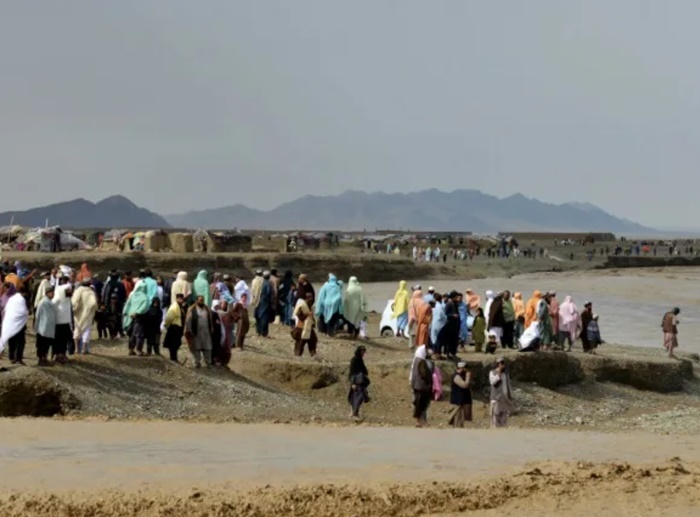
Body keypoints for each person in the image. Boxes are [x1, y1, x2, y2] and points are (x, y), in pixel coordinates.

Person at [0, 287, 29, 364]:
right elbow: (22, 312)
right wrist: (27, 313)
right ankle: (18, 358)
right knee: (20, 342)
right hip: (19, 324)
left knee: (12, 340)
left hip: (10, 322)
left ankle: (11, 356)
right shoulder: (21, 299)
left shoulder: (11, 298)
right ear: (24, 293)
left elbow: (6, 309)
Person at [185, 295, 214, 368]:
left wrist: (211, 328)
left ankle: (208, 363)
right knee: (196, 348)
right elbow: (188, 321)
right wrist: (189, 330)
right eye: (200, 300)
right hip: (196, 332)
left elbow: (210, 320)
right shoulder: (192, 309)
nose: (201, 302)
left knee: (207, 348)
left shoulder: (207, 309)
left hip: (206, 332)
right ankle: (197, 363)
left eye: (202, 300)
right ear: (197, 301)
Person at [123, 281, 150, 356]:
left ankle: (131, 349)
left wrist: (127, 313)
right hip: (140, 318)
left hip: (130, 317)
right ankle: (139, 350)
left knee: (131, 334)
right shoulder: (145, 297)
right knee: (139, 334)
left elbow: (127, 305)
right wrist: (137, 312)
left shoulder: (133, 295)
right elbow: (144, 307)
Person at [72, 278, 98, 355]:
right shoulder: (91, 292)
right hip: (87, 314)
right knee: (86, 330)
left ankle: (76, 349)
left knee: (77, 329)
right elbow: (93, 303)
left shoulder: (77, 291)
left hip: (78, 314)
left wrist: (76, 309)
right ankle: (84, 349)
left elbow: (74, 302)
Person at [410, 344, 432, 427]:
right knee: (421, 405)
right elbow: (423, 374)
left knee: (418, 404)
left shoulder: (416, 359)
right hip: (421, 386)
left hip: (416, 385)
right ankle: (421, 421)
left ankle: (419, 421)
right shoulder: (421, 361)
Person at [34, 285, 57, 366]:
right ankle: (42, 360)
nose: (53, 294)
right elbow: (39, 315)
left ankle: (44, 358)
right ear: (47, 293)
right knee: (42, 345)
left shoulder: (48, 302)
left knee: (46, 344)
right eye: (52, 293)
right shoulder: (44, 302)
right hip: (43, 327)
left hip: (46, 327)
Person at [52, 283, 74, 364]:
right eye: (68, 290)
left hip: (66, 323)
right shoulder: (57, 299)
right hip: (59, 324)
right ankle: (58, 356)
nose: (70, 291)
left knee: (65, 340)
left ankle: (63, 355)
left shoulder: (68, 299)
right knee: (59, 341)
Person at [489, 358, 514, 428]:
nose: (503, 365)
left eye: (503, 363)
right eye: (501, 363)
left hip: (505, 399)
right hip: (496, 399)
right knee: (495, 417)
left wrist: (510, 395)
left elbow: (508, 384)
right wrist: (498, 374)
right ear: (498, 364)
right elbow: (492, 382)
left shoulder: (506, 373)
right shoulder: (492, 372)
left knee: (504, 418)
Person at [348, 345, 370, 420]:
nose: (363, 353)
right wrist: (353, 383)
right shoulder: (354, 360)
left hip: (360, 382)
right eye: (362, 352)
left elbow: (364, 370)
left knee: (356, 397)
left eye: (364, 352)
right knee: (357, 397)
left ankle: (354, 413)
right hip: (356, 382)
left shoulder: (360, 360)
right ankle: (355, 414)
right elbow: (352, 372)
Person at [293, 291, 318, 356]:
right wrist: (307, 315)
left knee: (313, 340)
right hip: (302, 326)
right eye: (311, 298)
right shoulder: (302, 305)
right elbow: (298, 315)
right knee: (300, 342)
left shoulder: (309, 305)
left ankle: (313, 354)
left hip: (309, 326)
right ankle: (297, 355)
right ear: (308, 298)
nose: (312, 299)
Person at [449, 362, 473, 428]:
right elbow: (464, 385)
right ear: (462, 368)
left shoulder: (462, 376)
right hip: (458, 403)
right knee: (458, 423)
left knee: (462, 423)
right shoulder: (456, 376)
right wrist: (468, 377)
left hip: (463, 402)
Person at [163, 293, 186, 362]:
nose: (181, 300)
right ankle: (173, 358)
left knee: (176, 344)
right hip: (174, 327)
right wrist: (167, 325)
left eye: (182, 299)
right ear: (176, 299)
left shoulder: (180, 307)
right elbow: (168, 317)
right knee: (173, 344)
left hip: (178, 328)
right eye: (179, 298)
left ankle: (174, 358)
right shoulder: (174, 307)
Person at [254, 271, 274, 338]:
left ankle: (258, 331)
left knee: (258, 316)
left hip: (258, 301)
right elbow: (269, 294)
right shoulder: (268, 283)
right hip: (265, 302)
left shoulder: (258, 282)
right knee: (264, 318)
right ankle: (264, 333)